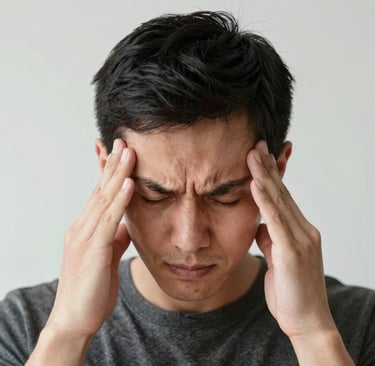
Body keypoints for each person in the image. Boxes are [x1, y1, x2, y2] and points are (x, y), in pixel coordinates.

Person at [0, 10, 374, 366]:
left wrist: (313, 334)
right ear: (107, 168)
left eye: (225, 196)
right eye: (155, 195)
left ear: (277, 169)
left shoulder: (358, 326)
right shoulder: (25, 328)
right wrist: (67, 333)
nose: (189, 240)